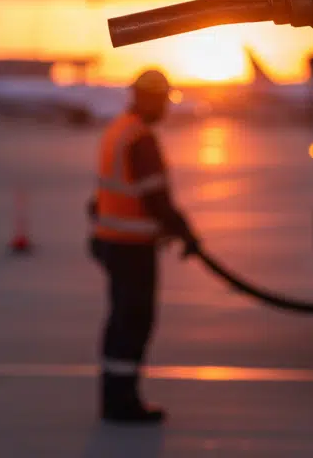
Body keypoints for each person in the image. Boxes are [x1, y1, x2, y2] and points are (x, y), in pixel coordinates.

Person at [88, 69, 198, 424]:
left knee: (120, 320)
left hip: (112, 242)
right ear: (150, 99)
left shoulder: (118, 130)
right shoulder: (140, 138)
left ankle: (114, 395)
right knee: (134, 321)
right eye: (163, 100)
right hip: (131, 248)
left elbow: (100, 197)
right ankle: (122, 403)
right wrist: (186, 234)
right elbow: (156, 199)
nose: (166, 108)